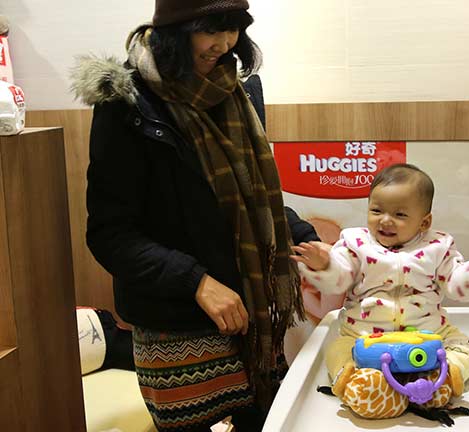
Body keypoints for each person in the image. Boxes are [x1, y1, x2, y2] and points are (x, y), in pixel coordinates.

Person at [72, 1, 311, 430]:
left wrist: (300, 233)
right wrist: (196, 281)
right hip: (175, 324)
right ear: (174, 30)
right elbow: (110, 234)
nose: (223, 44)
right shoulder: (126, 102)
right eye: (209, 30)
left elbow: (248, 194)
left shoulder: (237, 90)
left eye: (233, 29)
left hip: (251, 316)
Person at [291, 163, 469, 418]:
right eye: (376, 210)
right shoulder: (355, 243)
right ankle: (358, 383)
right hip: (364, 335)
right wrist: (325, 265)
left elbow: (455, 283)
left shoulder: (437, 246)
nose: (385, 220)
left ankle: (444, 379)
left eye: (399, 215)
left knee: (467, 348)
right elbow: (340, 279)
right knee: (337, 349)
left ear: (424, 222)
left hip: (428, 334)